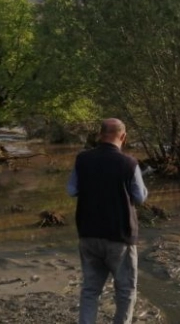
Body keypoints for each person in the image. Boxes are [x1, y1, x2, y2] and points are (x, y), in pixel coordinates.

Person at [67, 118, 148, 324]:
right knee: (125, 291)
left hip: (88, 233)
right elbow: (139, 197)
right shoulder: (129, 163)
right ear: (123, 136)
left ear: (100, 135)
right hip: (119, 236)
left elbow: (72, 190)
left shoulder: (82, 159)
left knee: (90, 290)